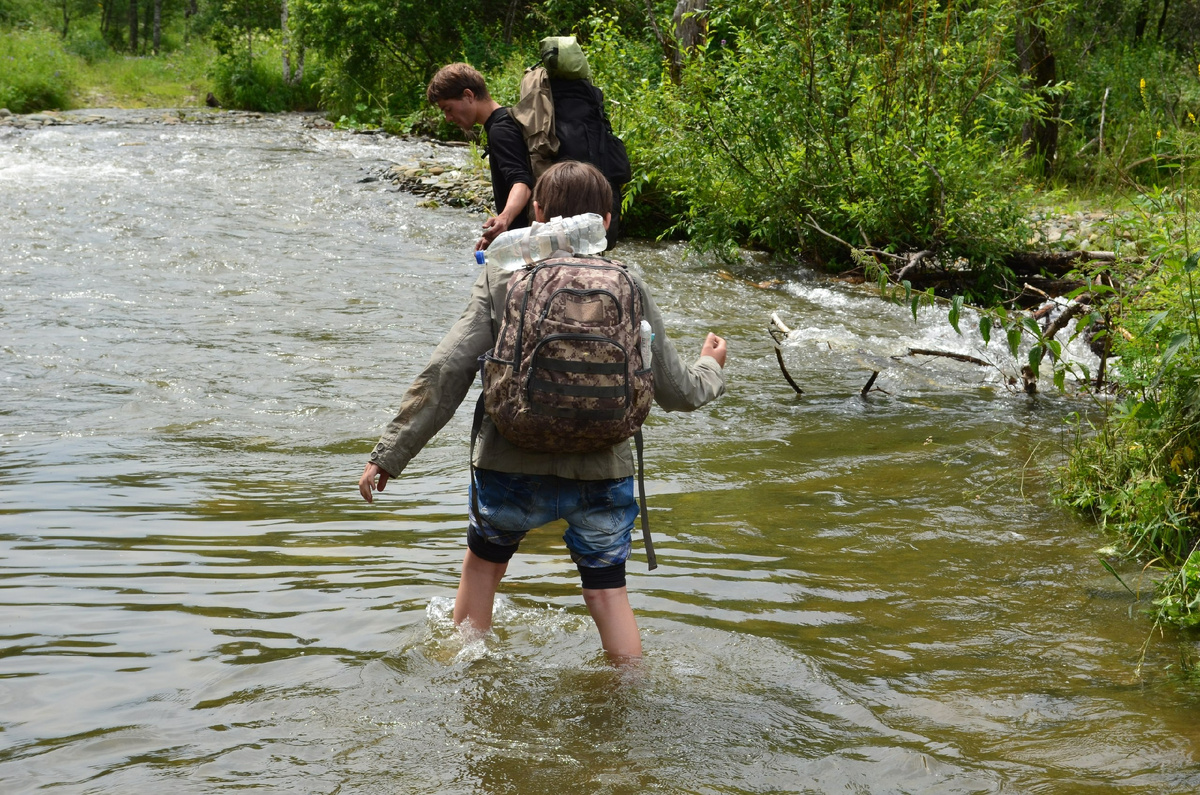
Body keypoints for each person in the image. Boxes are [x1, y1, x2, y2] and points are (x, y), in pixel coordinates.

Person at [358, 161, 727, 662]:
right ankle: (630, 699)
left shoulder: (504, 277)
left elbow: (449, 368)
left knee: (484, 570)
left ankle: (466, 688)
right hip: (603, 467)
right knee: (606, 593)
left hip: (510, 460)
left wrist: (390, 454)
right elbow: (676, 389)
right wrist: (712, 365)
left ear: (536, 213)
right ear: (606, 219)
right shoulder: (629, 284)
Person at [427, 63, 533, 252]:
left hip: (525, 243)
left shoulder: (500, 130)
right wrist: (500, 234)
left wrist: (504, 219)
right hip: (524, 238)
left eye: (448, 108)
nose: (447, 118)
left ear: (468, 95)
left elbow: (521, 181)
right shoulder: (506, 120)